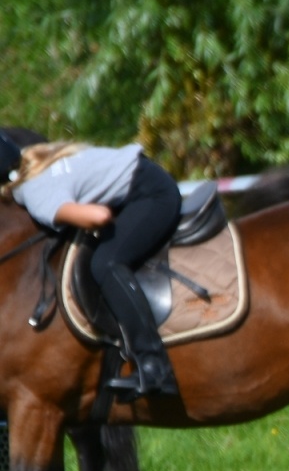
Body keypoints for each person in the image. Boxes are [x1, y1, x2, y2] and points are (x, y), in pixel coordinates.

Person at [1, 134, 180, 398]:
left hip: (152, 195)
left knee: (105, 263)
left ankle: (154, 365)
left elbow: (99, 216)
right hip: (146, 177)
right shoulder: (38, 160)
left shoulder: (36, 194)